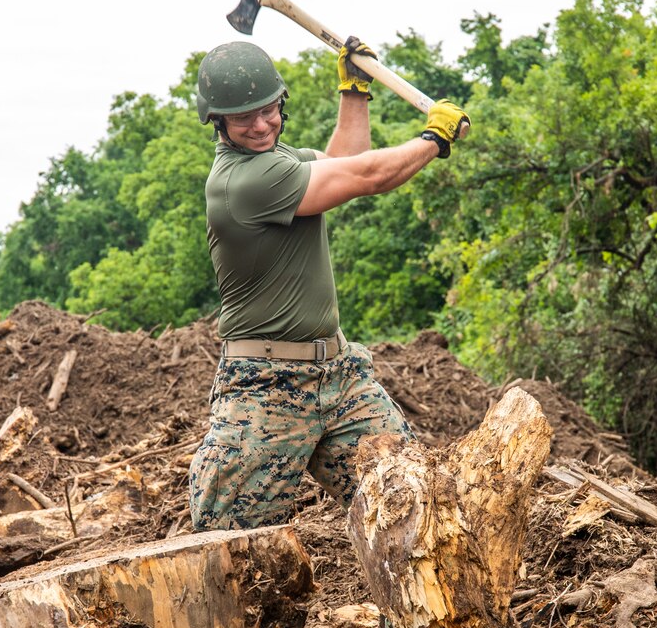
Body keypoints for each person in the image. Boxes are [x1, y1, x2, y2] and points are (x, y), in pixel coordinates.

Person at [189, 37, 469, 531]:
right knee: (231, 552)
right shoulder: (244, 182)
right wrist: (434, 139)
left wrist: (354, 91)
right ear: (219, 122)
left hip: (340, 377)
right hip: (265, 390)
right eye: (243, 118)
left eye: (268, 109)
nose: (260, 125)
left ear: (281, 103)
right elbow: (368, 175)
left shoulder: (282, 161)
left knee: (418, 505)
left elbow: (344, 160)